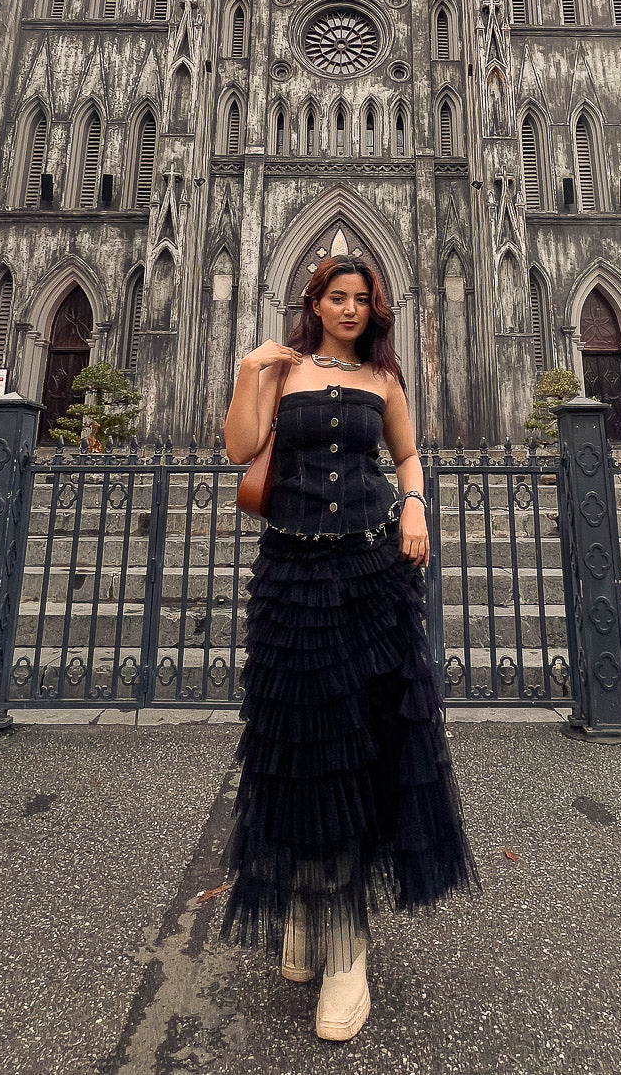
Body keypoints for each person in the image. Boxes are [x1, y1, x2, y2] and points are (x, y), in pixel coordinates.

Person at [220, 256, 480, 1042]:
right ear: (315, 302)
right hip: (293, 576)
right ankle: (306, 904)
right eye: (337, 297)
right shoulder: (280, 370)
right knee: (298, 741)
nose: (350, 309)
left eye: (362, 299)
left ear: (374, 309)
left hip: (369, 573)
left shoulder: (384, 380)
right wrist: (248, 369)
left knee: (360, 741)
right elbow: (239, 450)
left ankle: (347, 945)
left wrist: (416, 506)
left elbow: (407, 456)